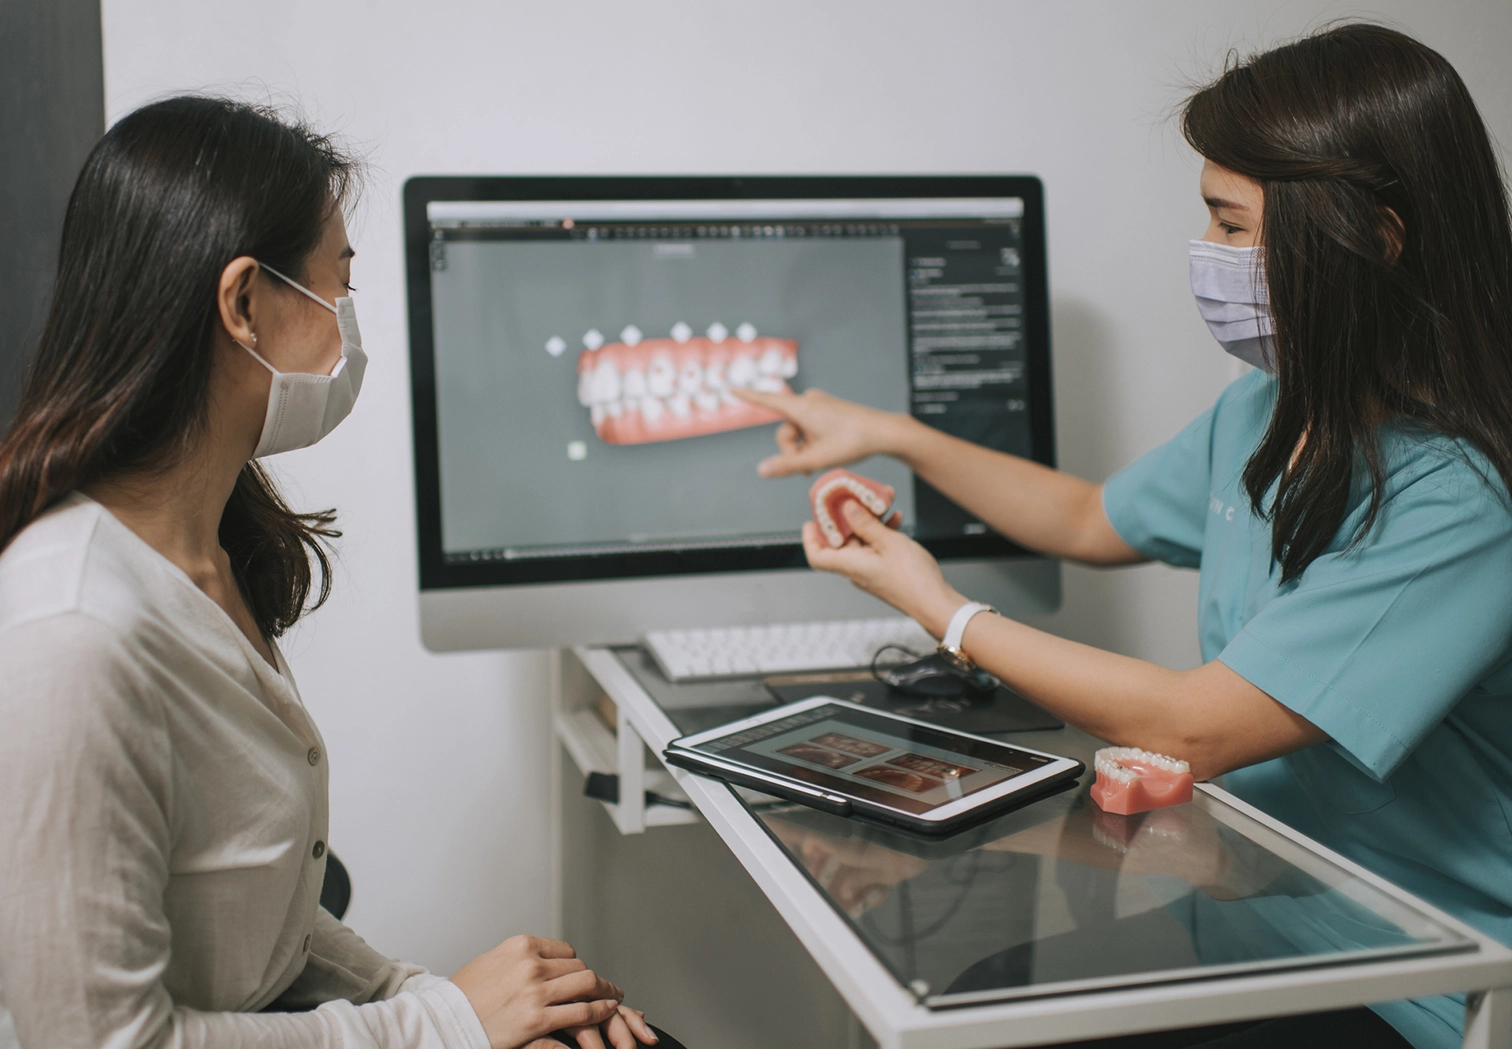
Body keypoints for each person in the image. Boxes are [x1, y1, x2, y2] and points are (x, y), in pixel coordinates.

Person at [738, 23, 1512, 1049]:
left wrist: (940, 610)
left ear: (1373, 238)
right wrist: (890, 433)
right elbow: (1087, 517)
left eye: (1233, 227)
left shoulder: (1458, 498)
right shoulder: (1272, 408)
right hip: (1250, 910)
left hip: (1414, 981)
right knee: (983, 993)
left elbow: (1197, 727)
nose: (1212, 258)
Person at [0, 97, 669, 1049]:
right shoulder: (69, 635)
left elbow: (247, 911)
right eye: (337, 286)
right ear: (242, 303)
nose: (348, 328)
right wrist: (441, 1022)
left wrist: (441, 995)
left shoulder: (210, 559)